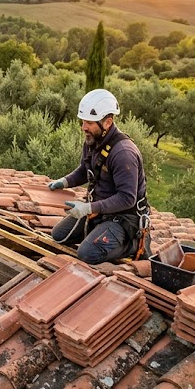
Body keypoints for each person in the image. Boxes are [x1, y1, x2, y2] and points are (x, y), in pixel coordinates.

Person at [47, 89, 151, 264]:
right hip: (101, 212)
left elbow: (127, 198)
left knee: (87, 254)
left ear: (107, 122)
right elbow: (85, 171)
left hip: (124, 218)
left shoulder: (123, 153)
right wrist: (64, 182)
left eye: (89, 122)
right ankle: (101, 230)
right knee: (59, 235)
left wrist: (89, 208)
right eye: (83, 122)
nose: (83, 127)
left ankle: (132, 244)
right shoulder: (92, 141)